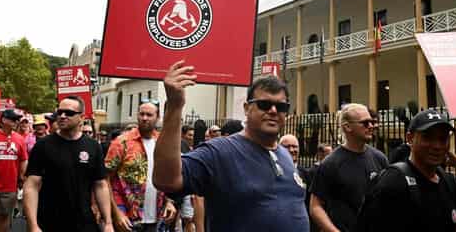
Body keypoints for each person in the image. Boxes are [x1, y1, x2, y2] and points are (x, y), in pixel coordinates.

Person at [153, 62, 310, 232]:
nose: (273, 110)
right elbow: (166, 180)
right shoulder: (219, 152)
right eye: (264, 104)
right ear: (246, 108)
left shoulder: (285, 155)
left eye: (281, 106)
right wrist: (175, 107)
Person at [356, 109, 456, 232]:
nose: (437, 146)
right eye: (428, 138)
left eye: (442, 139)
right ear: (410, 139)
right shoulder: (392, 183)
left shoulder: (448, 182)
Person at [24, 96, 114, 232]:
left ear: (81, 118)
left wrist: (108, 222)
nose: (62, 116)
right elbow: (31, 186)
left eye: (69, 113)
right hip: (49, 222)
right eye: (59, 112)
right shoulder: (43, 145)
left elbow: (100, 185)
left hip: (84, 222)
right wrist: (33, 225)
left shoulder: (93, 146)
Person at [309, 103, 388, 232]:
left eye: (372, 122)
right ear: (347, 127)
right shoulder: (330, 163)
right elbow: (315, 206)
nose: (371, 126)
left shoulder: (380, 158)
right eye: (365, 123)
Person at [105, 98, 177, 232]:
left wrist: (169, 201)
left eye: (149, 115)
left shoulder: (162, 142)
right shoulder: (121, 142)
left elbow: (167, 177)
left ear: (157, 117)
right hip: (127, 217)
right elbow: (105, 179)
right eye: (141, 114)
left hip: (157, 217)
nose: (144, 118)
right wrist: (116, 213)